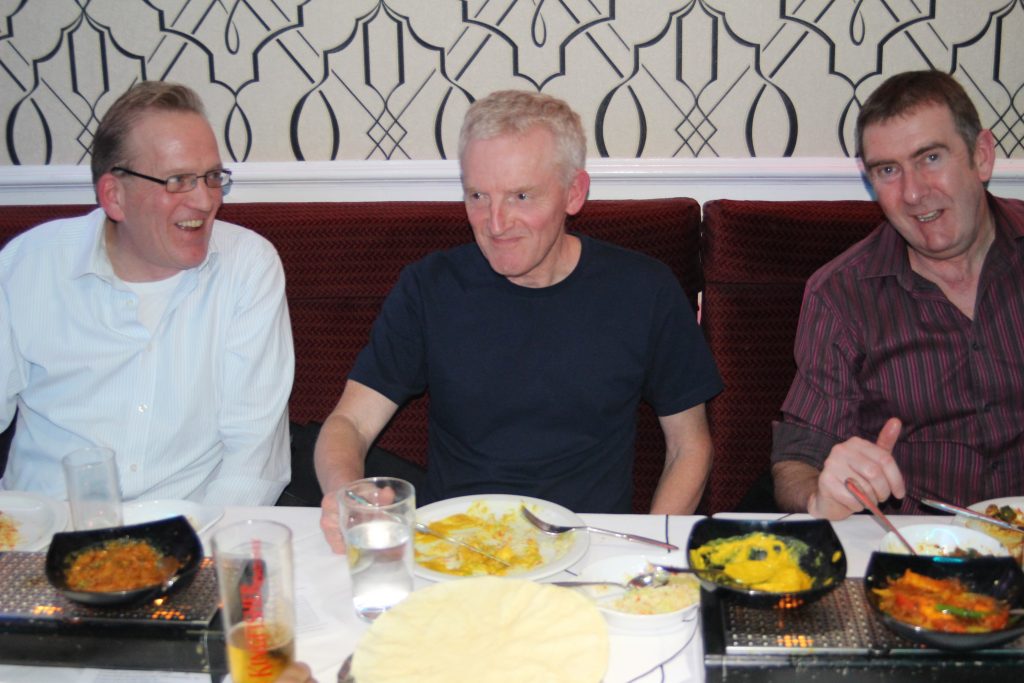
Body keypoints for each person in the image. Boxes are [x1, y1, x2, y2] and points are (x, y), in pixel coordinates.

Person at [315, 90, 722, 551]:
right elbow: (347, 423)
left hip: (586, 549)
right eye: (477, 196)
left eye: (521, 196)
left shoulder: (644, 290)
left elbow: (691, 447)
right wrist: (346, 493)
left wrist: (645, 551)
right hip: (455, 550)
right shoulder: (430, 287)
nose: (495, 223)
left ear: (574, 193)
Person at [0, 81, 294, 506]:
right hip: (43, 538)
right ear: (114, 196)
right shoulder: (28, 265)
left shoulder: (247, 266)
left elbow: (253, 459)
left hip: (188, 538)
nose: (205, 200)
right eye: (178, 180)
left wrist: (203, 557)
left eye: (212, 177)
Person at [771, 70, 1024, 520]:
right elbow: (797, 463)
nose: (912, 192)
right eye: (888, 170)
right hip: (915, 551)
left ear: (981, 156)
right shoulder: (841, 294)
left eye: (930, 158)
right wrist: (821, 494)